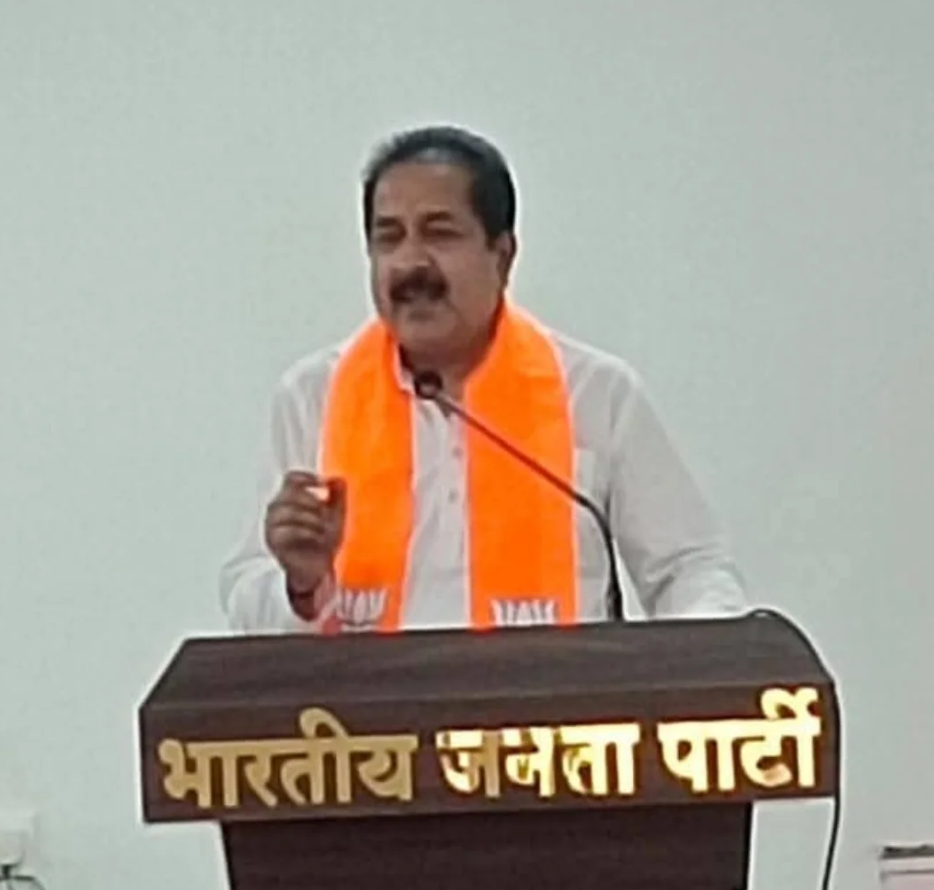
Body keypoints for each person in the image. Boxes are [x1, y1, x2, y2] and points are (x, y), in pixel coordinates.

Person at [219, 124, 747, 634]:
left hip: (552, 696)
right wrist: (302, 585)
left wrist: (707, 658)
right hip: (367, 699)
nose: (410, 263)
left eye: (439, 234)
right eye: (389, 238)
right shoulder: (313, 397)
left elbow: (690, 570)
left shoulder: (595, 394)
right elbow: (247, 594)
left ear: (503, 255)